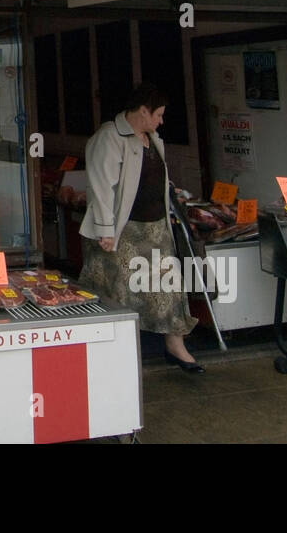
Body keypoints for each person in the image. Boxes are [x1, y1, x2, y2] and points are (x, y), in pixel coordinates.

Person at [78, 83, 203, 372]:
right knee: (119, 291)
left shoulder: (153, 139)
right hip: (124, 231)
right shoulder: (109, 137)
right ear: (143, 110)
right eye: (157, 114)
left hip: (155, 228)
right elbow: (102, 187)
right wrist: (105, 229)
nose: (161, 120)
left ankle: (175, 346)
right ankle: (117, 353)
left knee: (169, 288)